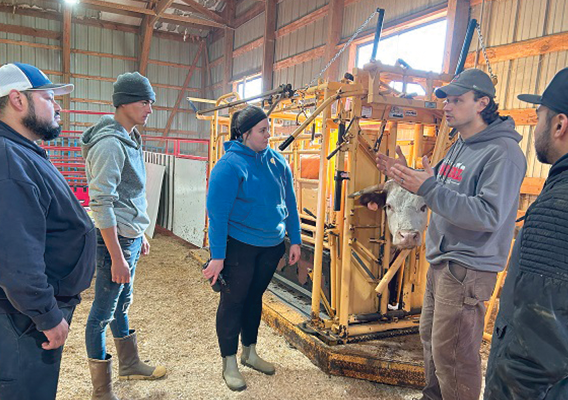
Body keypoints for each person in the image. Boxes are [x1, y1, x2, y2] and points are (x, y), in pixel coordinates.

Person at [377, 69, 527, 400]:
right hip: (444, 260)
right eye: (447, 99)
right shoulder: (461, 145)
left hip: (467, 266)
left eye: (457, 100)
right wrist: (414, 178)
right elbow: (445, 193)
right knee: (433, 342)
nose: (447, 106)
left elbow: (489, 215)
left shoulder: (502, 154)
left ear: (482, 103)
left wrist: (429, 186)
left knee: (455, 357)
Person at [0, 63, 96, 399]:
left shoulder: (22, 151)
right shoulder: (8, 157)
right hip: (21, 318)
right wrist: (47, 315)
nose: (58, 106)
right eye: (49, 97)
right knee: (24, 390)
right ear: (17, 100)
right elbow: (15, 254)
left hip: (25, 314)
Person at [204, 105, 302, 391]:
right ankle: (229, 362)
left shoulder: (278, 162)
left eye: (268, 129)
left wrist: (294, 238)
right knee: (233, 302)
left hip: (271, 247)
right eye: (262, 130)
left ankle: (250, 352)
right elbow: (217, 214)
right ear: (244, 133)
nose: (268, 135)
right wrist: (217, 256)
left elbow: (291, 203)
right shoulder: (229, 166)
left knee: (254, 298)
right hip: (239, 248)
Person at [484, 67, 568, 400]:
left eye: (539, 117)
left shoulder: (557, 208)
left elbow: (538, 341)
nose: (535, 129)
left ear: (560, 125)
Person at [81, 72, 166, 399]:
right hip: (112, 242)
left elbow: (128, 195)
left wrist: (140, 232)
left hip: (127, 237)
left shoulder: (130, 137)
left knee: (120, 304)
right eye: (145, 101)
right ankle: (101, 391)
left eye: (151, 103)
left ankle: (129, 364)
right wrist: (117, 256)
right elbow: (101, 202)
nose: (150, 109)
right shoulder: (110, 144)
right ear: (125, 102)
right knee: (101, 313)